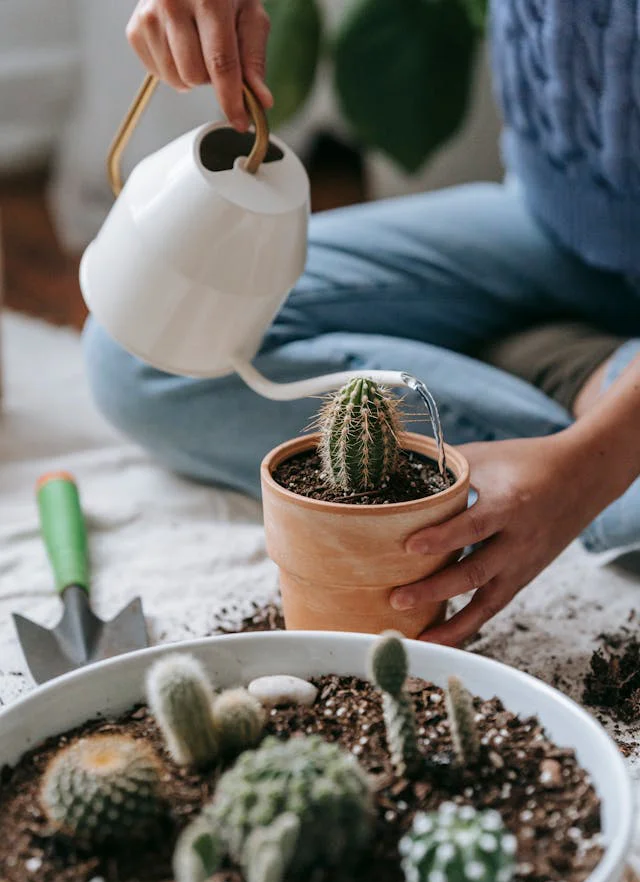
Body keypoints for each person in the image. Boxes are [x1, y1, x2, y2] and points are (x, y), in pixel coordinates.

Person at [83, 0, 640, 645]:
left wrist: (585, 468)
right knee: (153, 348)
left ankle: (568, 372)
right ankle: (580, 370)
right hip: (553, 224)